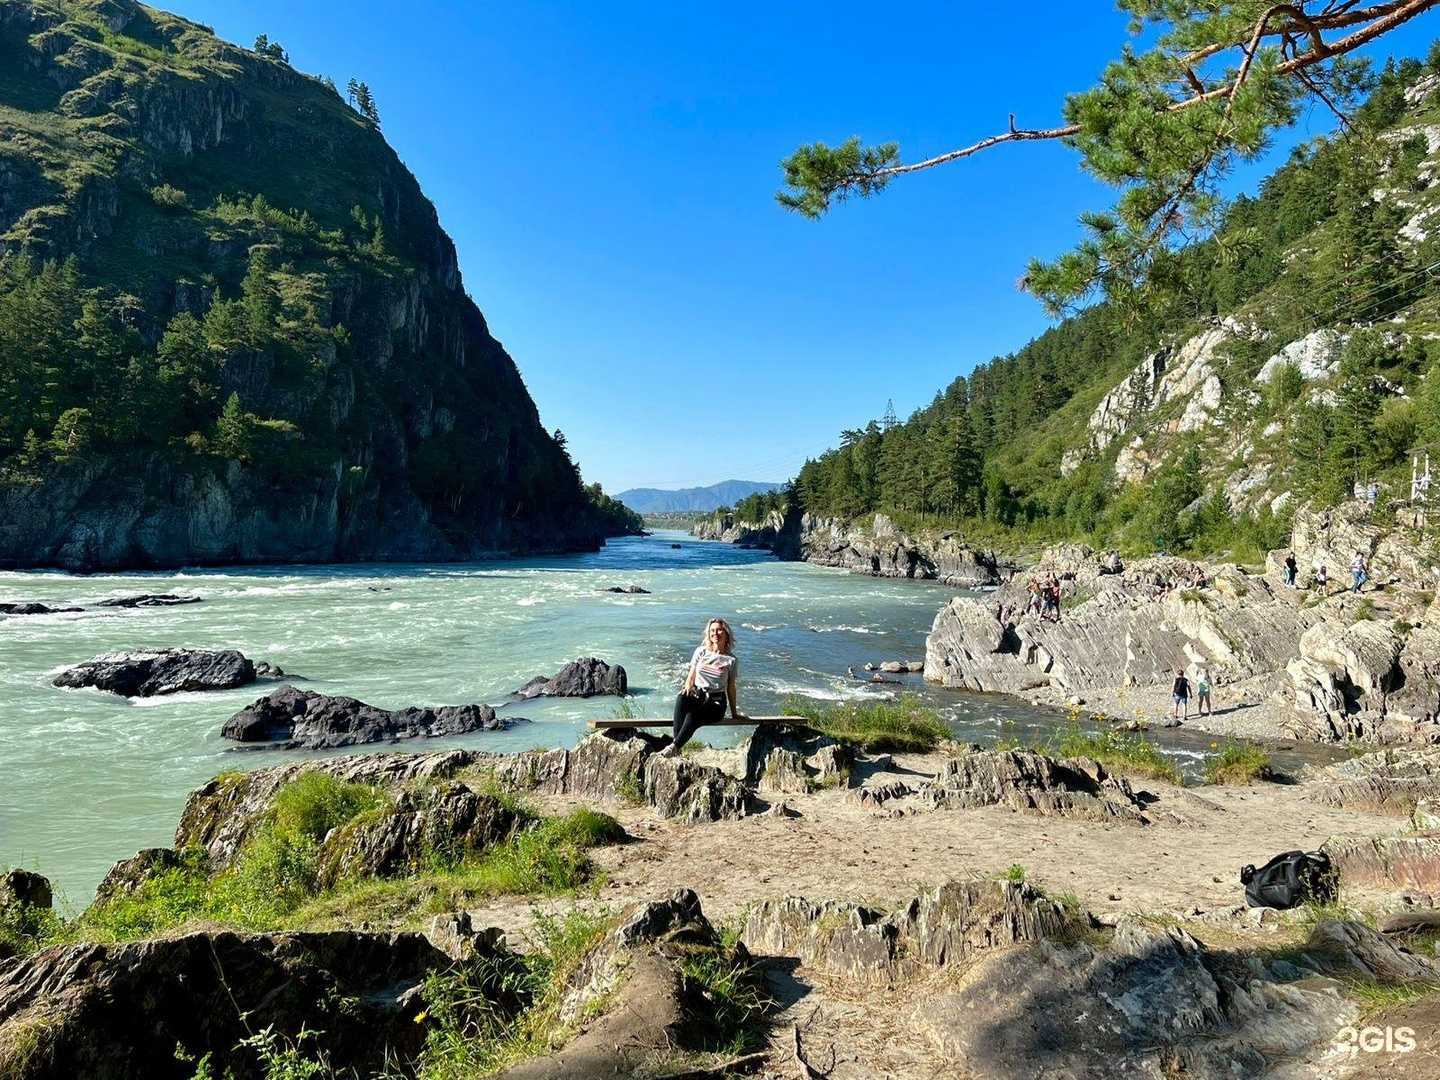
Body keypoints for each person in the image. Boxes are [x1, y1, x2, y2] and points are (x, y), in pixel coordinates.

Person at [666, 617, 743, 755]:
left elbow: (731, 688)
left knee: (692, 717)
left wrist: (734, 713)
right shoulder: (701, 652)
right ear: (708, 634)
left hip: (716, 703)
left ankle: (674, 747)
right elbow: (691, 676)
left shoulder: (731, 660)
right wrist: (688, 687)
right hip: (698, 696)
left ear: (726, 634)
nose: (715, 633)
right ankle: (676, 746)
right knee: (681, 698)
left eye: (719, 630)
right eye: (712, 630)